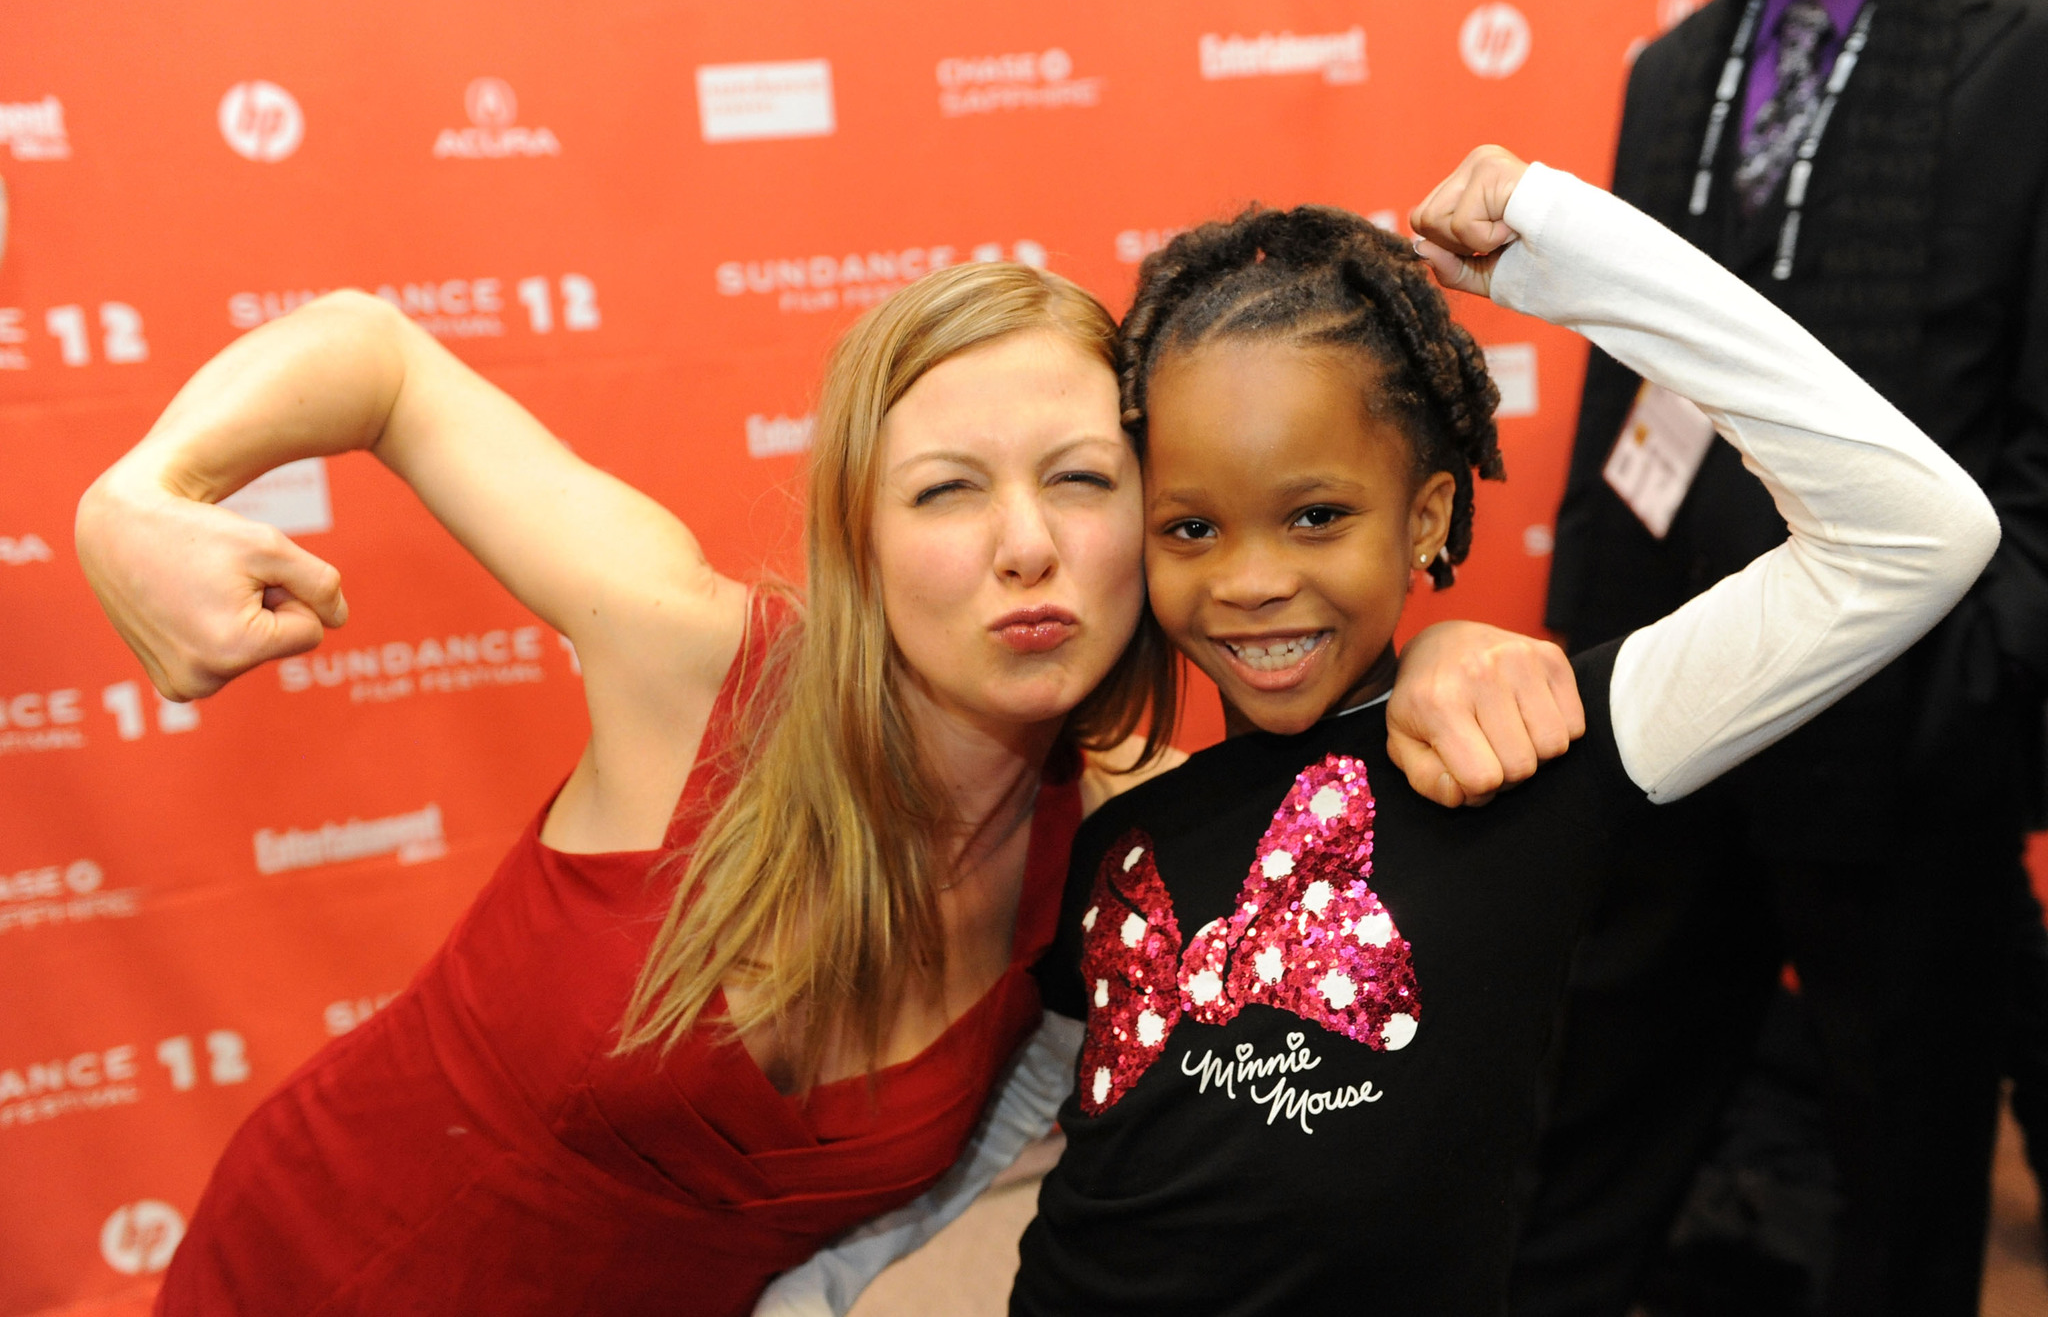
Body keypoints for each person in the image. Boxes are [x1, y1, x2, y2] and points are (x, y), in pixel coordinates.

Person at [74, 260, 1579, 1315]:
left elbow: (1346, 765)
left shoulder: (1127, 835)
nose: (1024, 545)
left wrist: (1447, 663)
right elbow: (377, 356)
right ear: (859, 539)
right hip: (330, 1273)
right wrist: (137, 492)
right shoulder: (699, 672)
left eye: (1080, 479)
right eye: (945, 490)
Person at [756, 144, 1996, 1315]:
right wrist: (838, 1272)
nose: (1249, 580)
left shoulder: (1530, 748)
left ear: (1426, 515)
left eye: (1312, 516)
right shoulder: (1123, 831)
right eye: (1192, 528)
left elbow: (1916, 533)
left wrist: (1576, 256)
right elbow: (1054, 1075)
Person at [1520, 0, 2048, 1310]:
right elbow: (1622, 417)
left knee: (1907, 1174)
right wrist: (1586, 678)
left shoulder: (2028, 36)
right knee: (1595, 1135)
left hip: (1913, 731)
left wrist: (1979, 682)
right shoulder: (1675, 72)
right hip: (1684, 700)